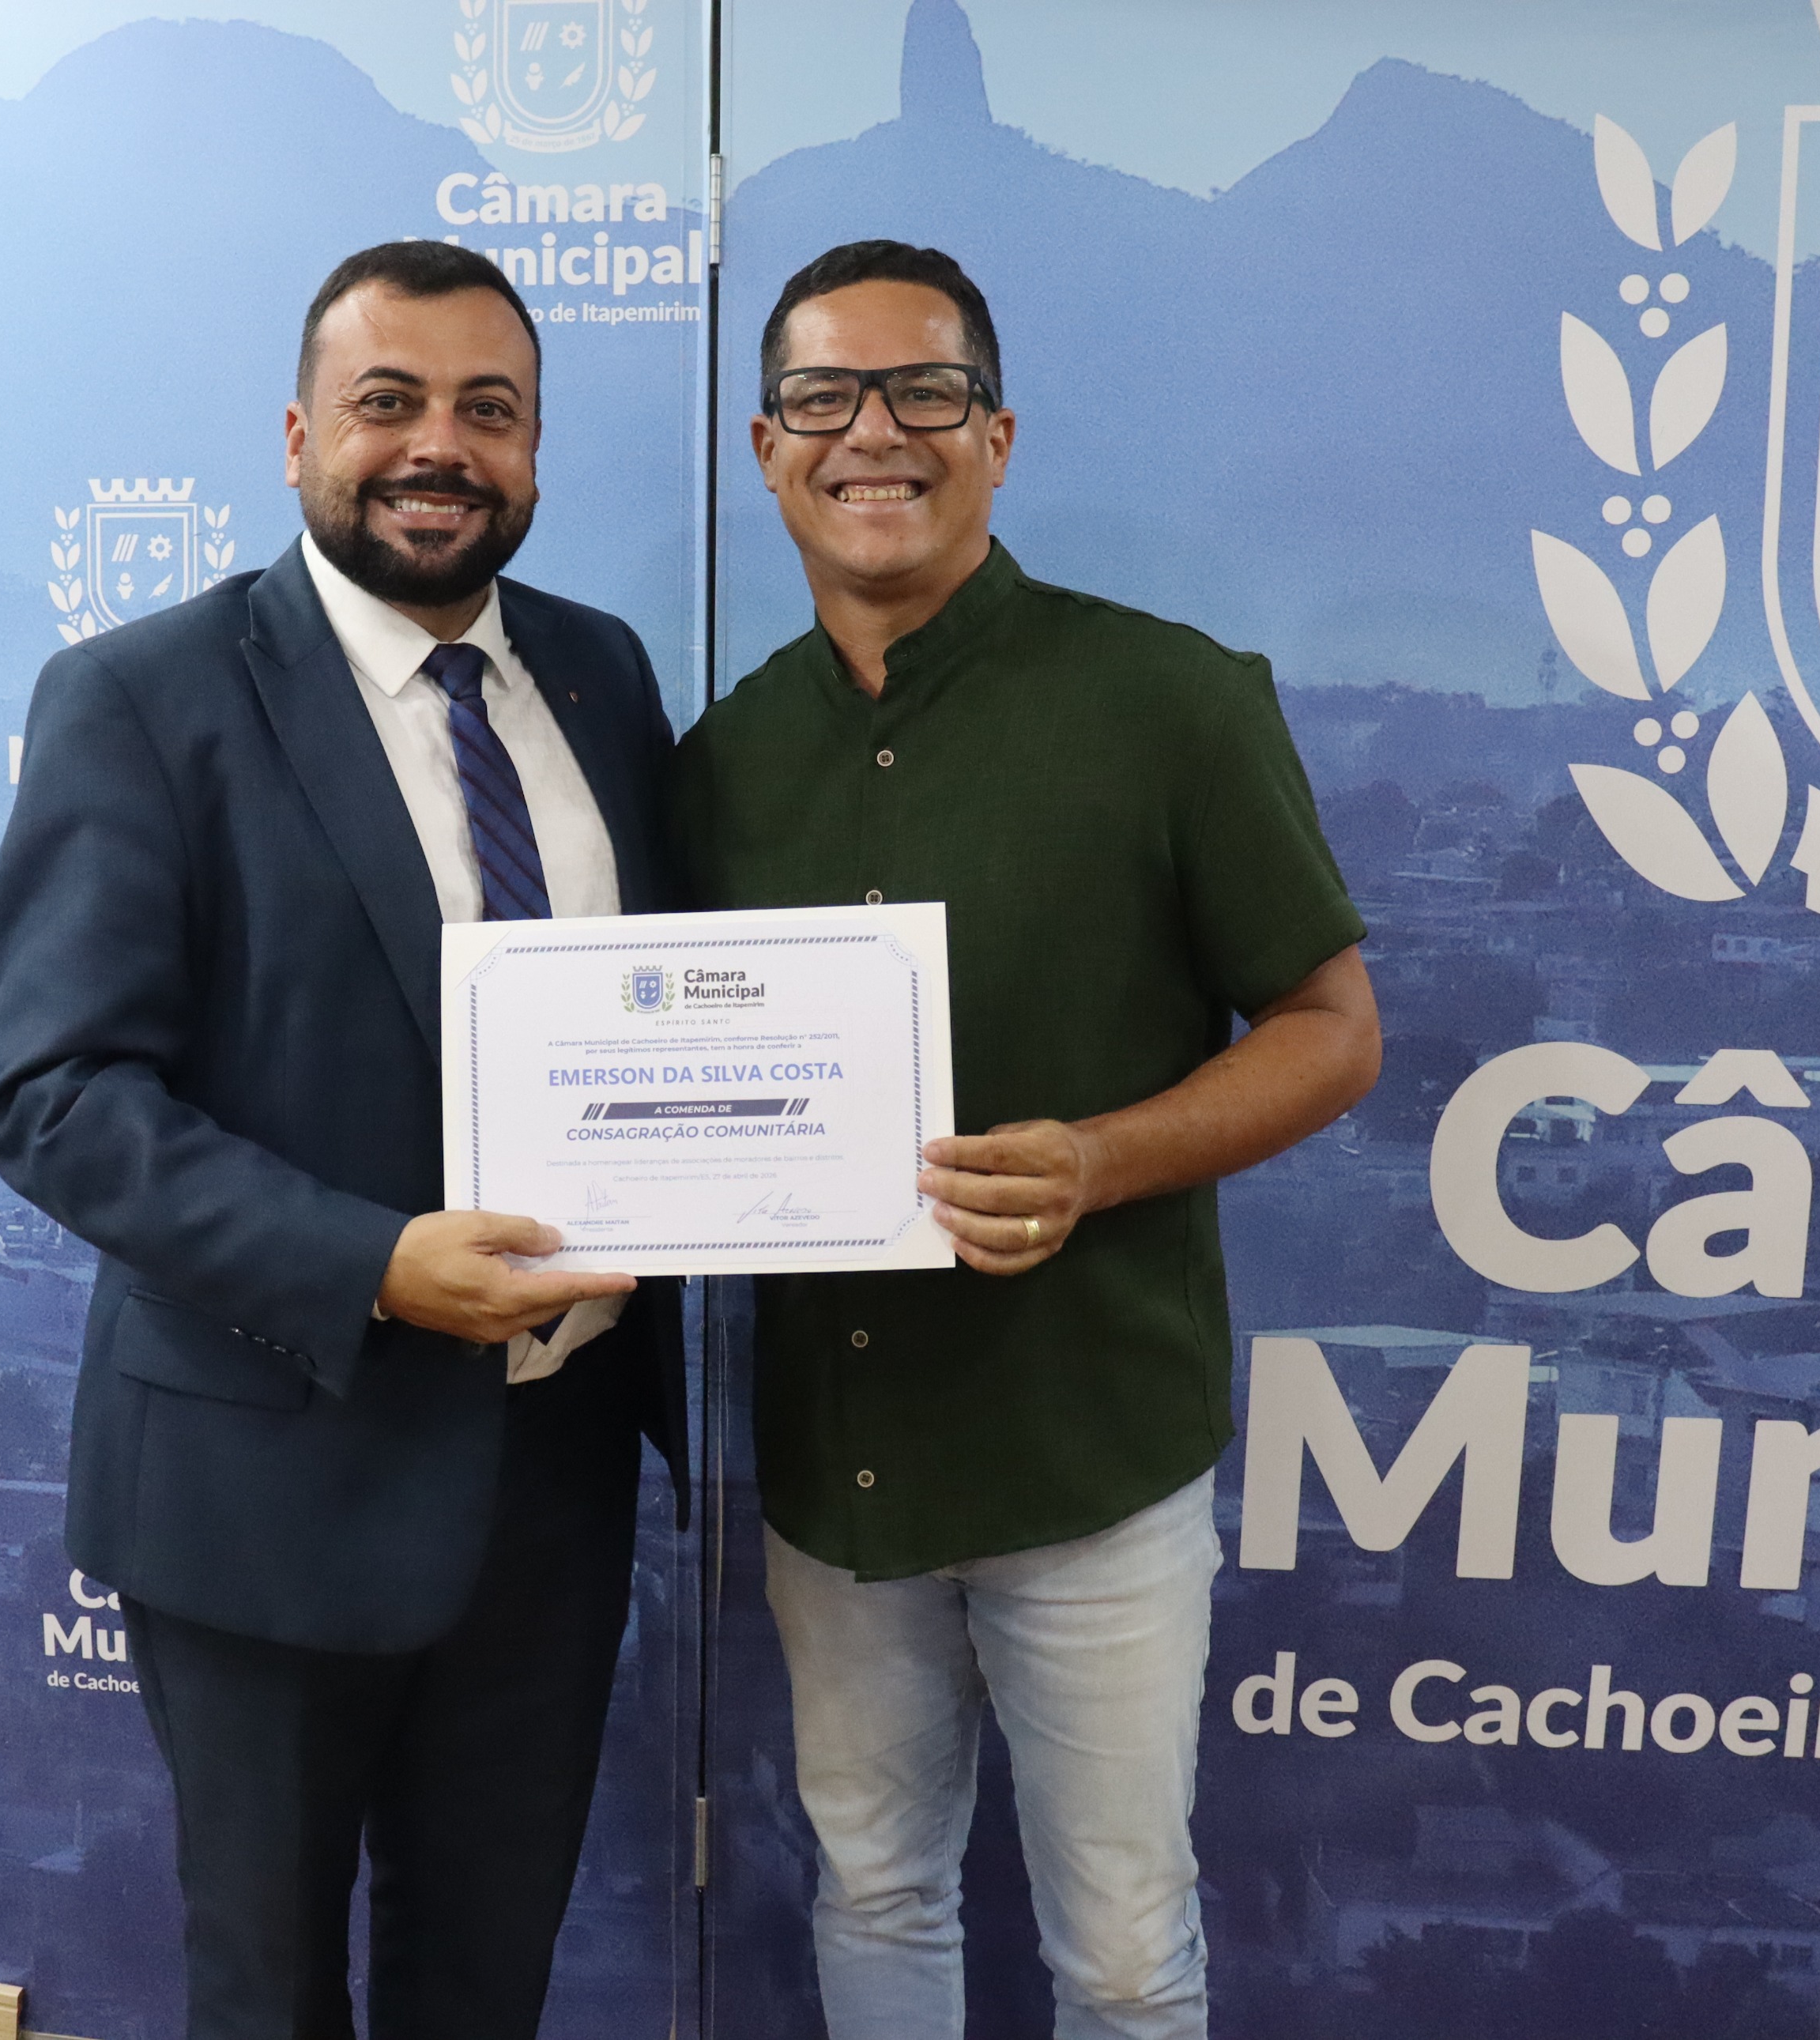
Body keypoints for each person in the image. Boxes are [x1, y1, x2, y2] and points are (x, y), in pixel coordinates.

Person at [0, 239, 685, 2040]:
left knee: (485, 1984)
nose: (439, 446)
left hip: (551, 1473)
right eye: (389, 402)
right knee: (270, 1990)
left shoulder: (601, 674)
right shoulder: (142, 696)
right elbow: (56, 1094)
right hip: (268, 1478)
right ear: (300, 436)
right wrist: (372, 1264)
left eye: (488, 410)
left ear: (534, 451)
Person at [673, 239, 1381, 2040]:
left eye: (924, 391)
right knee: (874, 1889)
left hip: (1091, 1454)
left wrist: (1096, 1161)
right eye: (823, 397)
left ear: (996, 435)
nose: (873, 432)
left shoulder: (1171, 700)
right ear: (766, 448)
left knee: (1126, 1957)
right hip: (841, 1465)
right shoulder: (719, 764)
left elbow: (1332, 1031)